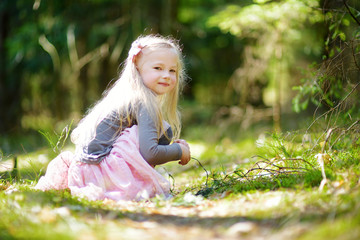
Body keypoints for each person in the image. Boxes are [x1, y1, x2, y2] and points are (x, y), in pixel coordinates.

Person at [35, 34, 191, 201]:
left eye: (172, 70)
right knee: (141, 134)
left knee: (153, 132)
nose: (166, 75)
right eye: (158, 68)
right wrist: (179, 151)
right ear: (137, 69)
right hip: (100, 176)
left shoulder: (129, 96)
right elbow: (150, 154)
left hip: (84, 172)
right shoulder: (144, 102)